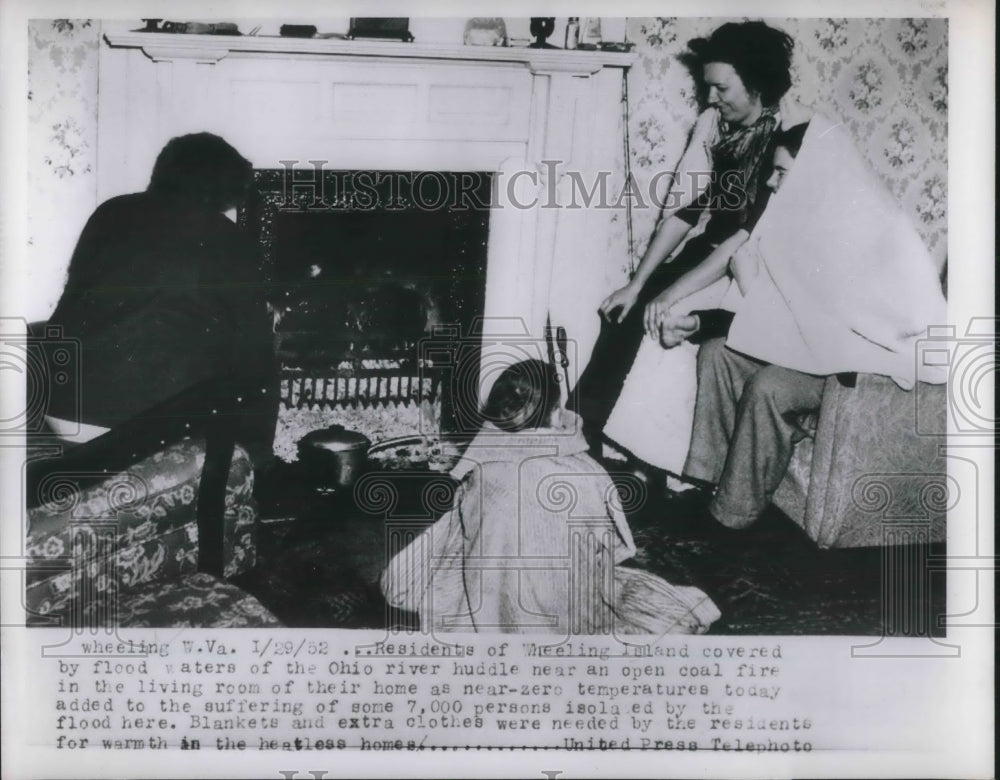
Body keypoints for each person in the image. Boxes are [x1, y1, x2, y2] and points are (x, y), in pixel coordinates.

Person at [659, 115, 947, 529]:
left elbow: (899, 321)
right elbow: (775, 313)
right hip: (813, 352)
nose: (772, 184)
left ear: (815, 172)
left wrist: (749, 281)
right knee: (718, 354)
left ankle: (731, 517)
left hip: (864, 367)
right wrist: (699, 322)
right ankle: (709, 484)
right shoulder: (796, 223)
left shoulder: (882, 229)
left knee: (770, 387)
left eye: (781, 173)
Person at [571, 21, 807, 480]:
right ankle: (582, 430)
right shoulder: (711, 124)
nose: (711, 99)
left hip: (757, 263)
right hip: (711, 249)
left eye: (721, 88)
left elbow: (749, 236)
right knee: (622, 310)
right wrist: (637, 283)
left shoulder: (794, 130)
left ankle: (637, 454)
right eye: (707, 88)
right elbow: (684, 209)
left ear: (756, 82)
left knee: (659, 315)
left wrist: (667, 295)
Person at [380, 359, 720, 635]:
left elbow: (453, 537)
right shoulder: (588, 473)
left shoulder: (483, 467)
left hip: (490, 597)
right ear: (557, 412)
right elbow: (610, 545)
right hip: (567, 608)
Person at [42, 132, 278, 478]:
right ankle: (257, 471)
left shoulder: (109, 211)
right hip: (130, 430)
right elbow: (251, 350)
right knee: (261, 354)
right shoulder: (226, 236)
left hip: (58, 408)